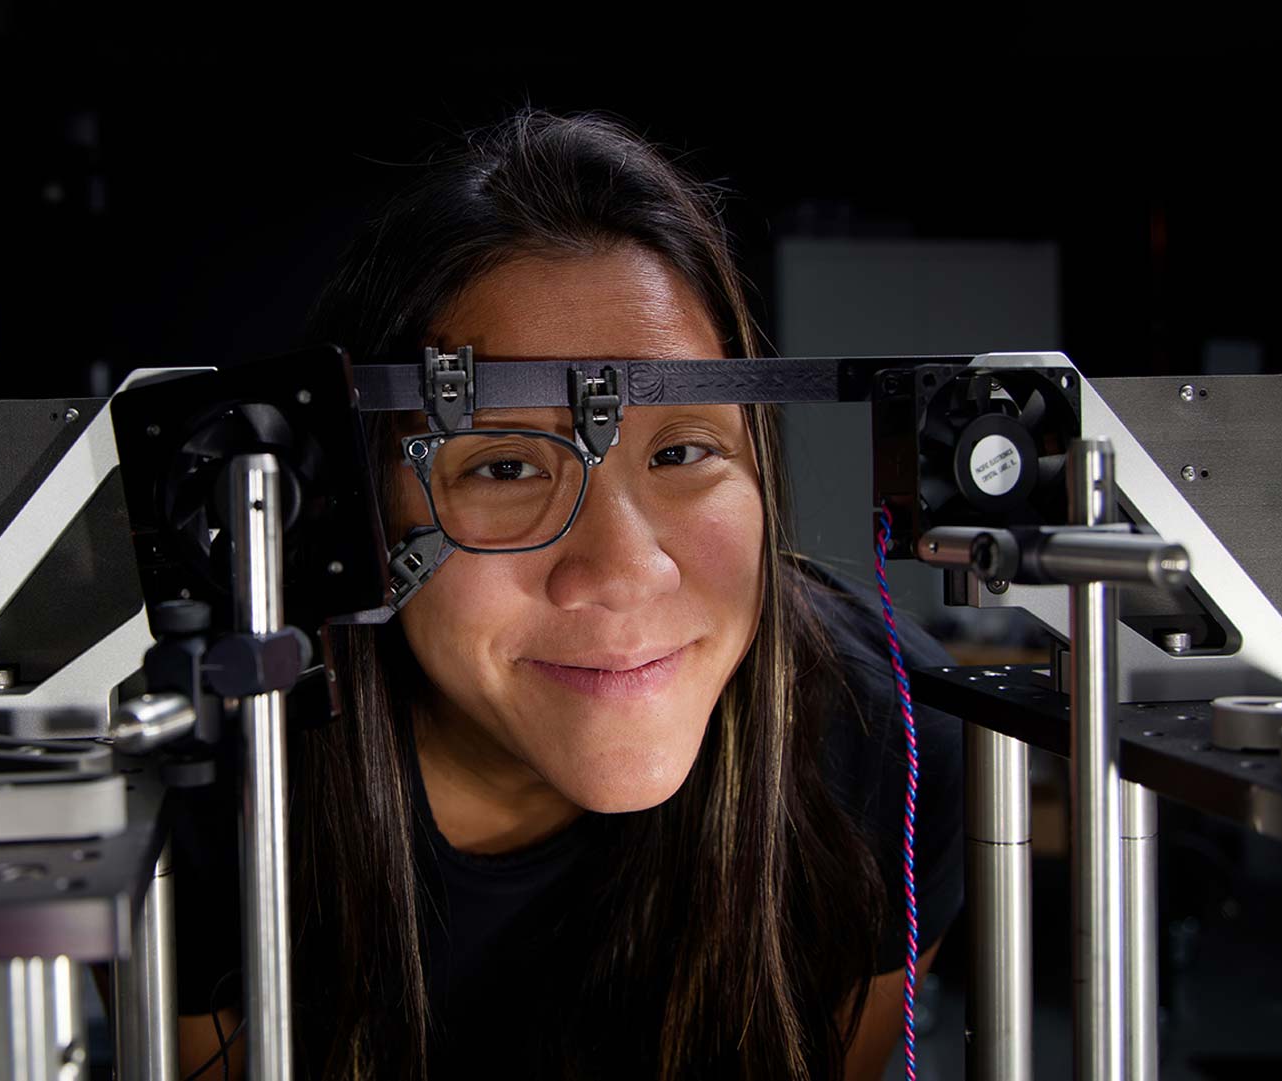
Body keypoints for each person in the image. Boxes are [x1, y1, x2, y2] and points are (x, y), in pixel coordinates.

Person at [167, 108, 963, 1081]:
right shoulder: (216, 779)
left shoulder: (886, 732)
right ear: (357, 513)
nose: (625, 570)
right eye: (502, 467)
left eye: (682, 451)